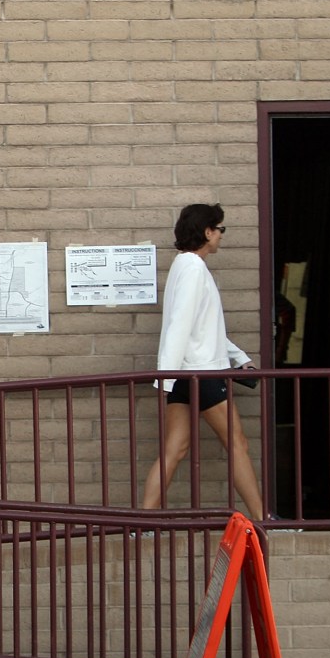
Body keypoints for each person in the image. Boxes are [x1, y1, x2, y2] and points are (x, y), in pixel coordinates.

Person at [141, 203, 265, 521]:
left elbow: (201, 328)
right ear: (208, 232)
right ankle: (264, 519)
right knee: (237, 443)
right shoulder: (194, 269)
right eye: (220, 230)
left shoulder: (183, 266)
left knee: (174, 450)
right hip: (202, 374)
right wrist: (165, 378)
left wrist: (239, 358)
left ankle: (142, 522)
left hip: (187, 373)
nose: (221, 236)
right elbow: (180, 325)